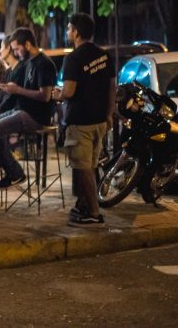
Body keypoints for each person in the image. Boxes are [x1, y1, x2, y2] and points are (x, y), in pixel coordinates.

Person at [56, 13, 115, 228]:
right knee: (89, 166)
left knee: (83, 168)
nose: (67, 32)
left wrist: (58, 95)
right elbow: (112, 88)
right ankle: (83, 206)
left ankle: (94, 213)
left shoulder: (73, 58)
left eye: (69, 28)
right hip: (100, 120)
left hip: (81, 121)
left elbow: (69, 91)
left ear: (77, 32)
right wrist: (109, 114)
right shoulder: (105, 56)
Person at [0, 28, 56, 190]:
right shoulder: (28, 62)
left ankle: (14, 172)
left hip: (35, 117)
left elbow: (44, 96)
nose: (16, 53)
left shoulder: (44, 63)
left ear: (28, 44)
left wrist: (17, 90)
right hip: (22, 110)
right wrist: (11, 90)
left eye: (17, 48)